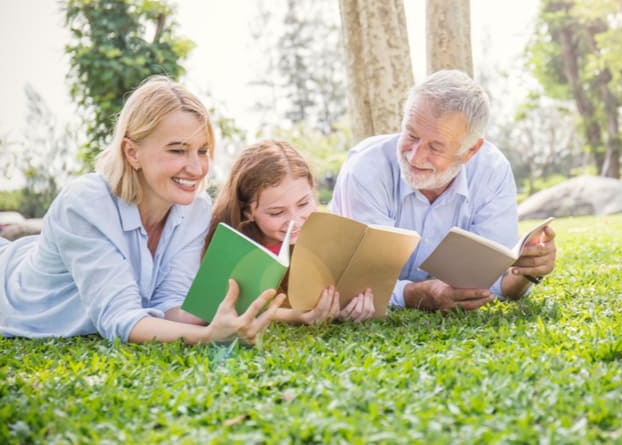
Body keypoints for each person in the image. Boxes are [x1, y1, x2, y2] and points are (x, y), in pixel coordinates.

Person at [0, 76, 284, 345]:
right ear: (132, 153)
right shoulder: (85, 204)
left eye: (202, 150)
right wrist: (209, 336)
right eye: (177, 150)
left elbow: (170, 304)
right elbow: (120, 319)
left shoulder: (195, 208)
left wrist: (226, 315)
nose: (197, 168)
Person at [330, 69, 557, 311]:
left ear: (471, 151)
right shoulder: (366, 169)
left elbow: (493, 284)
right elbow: (358, 284)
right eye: (411, 134)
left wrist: (525, 273)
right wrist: (417, 295)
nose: (415, 156)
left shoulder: (492, 172)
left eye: (435, 147)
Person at [206, 140, 375, 323]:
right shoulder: (232, 244)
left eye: (303, 203)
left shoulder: (325, 236)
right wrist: (296, 316)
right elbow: (224, 304)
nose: (295, 222)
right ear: (248, 212)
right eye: (277, 212)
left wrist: (346, 306)